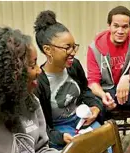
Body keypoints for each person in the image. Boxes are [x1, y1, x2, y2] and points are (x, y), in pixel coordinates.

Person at [33, 10, 104, 150]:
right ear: (48, 50)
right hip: (59, 130)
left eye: (74, 46)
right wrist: (59, 137)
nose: (73, 52)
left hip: (82, 120)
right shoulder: (38, 83)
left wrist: (96, 107)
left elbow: (85, 92)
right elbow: (40, 128)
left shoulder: (74, 66)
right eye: (67, 48)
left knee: (104, 141)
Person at [87, 5, 130, 152]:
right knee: (92, 99)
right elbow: (92, 82)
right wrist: (104, 96)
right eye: (116, 26)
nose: (120, 31)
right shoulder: (95, 48)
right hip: (106, 91)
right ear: (109, 26)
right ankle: (101, 147)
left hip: (129, 89)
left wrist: (127, 78)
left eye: (125, 26)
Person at [0, 26, 59, 153]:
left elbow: (41, 149)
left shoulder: (31, 103)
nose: (39, 70)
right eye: (32, 65)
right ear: (11, 74)